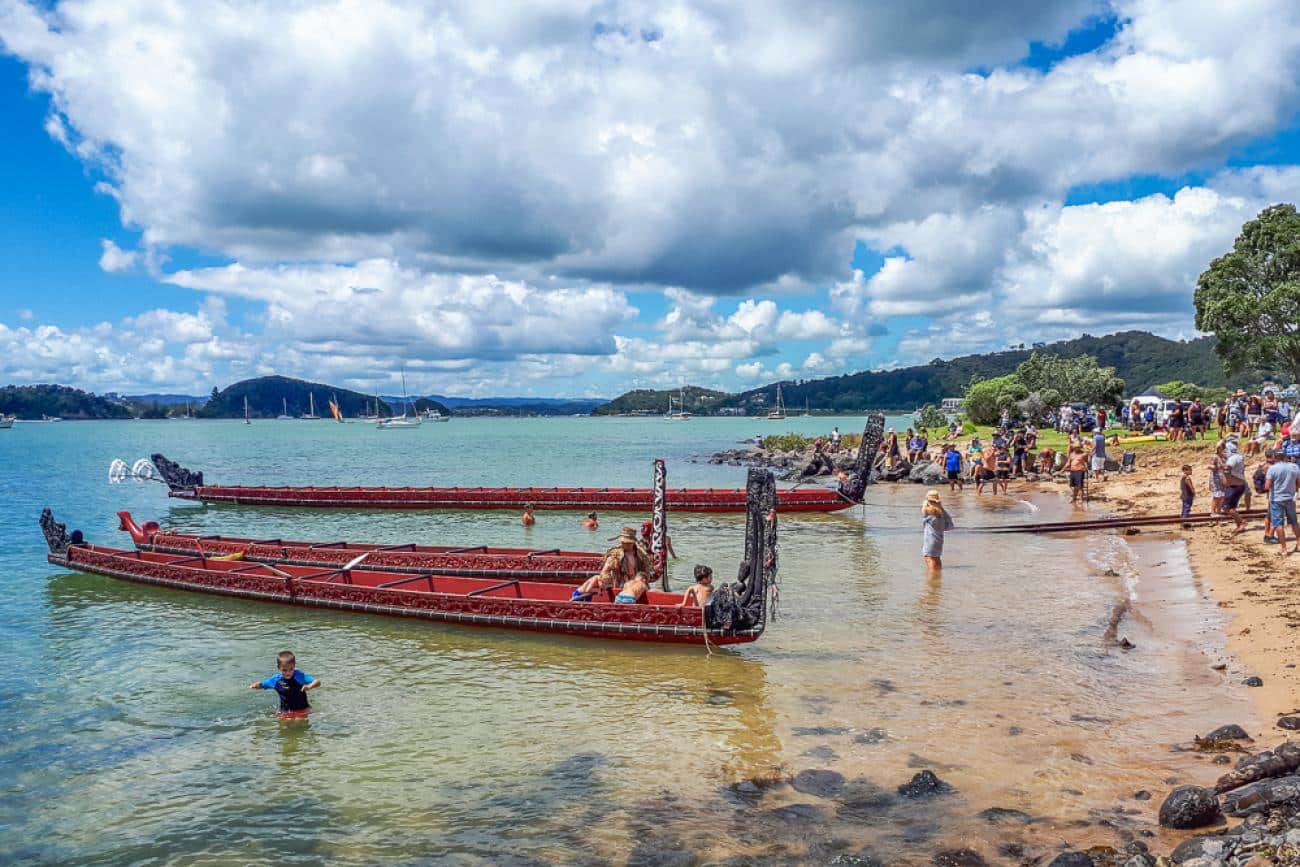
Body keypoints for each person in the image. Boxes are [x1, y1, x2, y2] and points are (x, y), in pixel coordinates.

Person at [249, 651, 320, 714]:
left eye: (291, 669)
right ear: (278, 667)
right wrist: (257, 685)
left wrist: (309, 686)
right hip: (285, 712)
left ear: (294, 665)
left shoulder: (300, 676)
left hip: (303, 709)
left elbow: (317, 682)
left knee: (299, 722)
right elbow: (263, 684)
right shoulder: (275, 680)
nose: (288, 672)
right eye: (284, 670)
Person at [1266, 447, 1300, 555]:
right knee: (1294, 522)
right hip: (1290, 498)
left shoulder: (1273, 469)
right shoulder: (1294, 467)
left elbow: (1268, 486)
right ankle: (1299, 543)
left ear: (1275, 457)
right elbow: (1298, 483)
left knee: (1278, 523)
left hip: (1277, 499)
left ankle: (1284, 549)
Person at [921, 489, 955, 574]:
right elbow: (950, 525)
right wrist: (939, 505)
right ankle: (938, 578)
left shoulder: (929, 511)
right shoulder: (941, 513)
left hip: (930, 540)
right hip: (939, 540)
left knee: (929, 559)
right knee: (937, 559)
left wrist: (931, 501)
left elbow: (925, 507)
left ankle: (933, 580)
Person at [1221, 444, 1249, 533]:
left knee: (1228, 508)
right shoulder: (1237, 457)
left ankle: (1242, 522)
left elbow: (1227, 468)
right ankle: (1239, 524)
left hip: (1235, 485)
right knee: (1229, 507)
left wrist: (1219, 466)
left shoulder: (1233, 458)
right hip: (1235, 485)